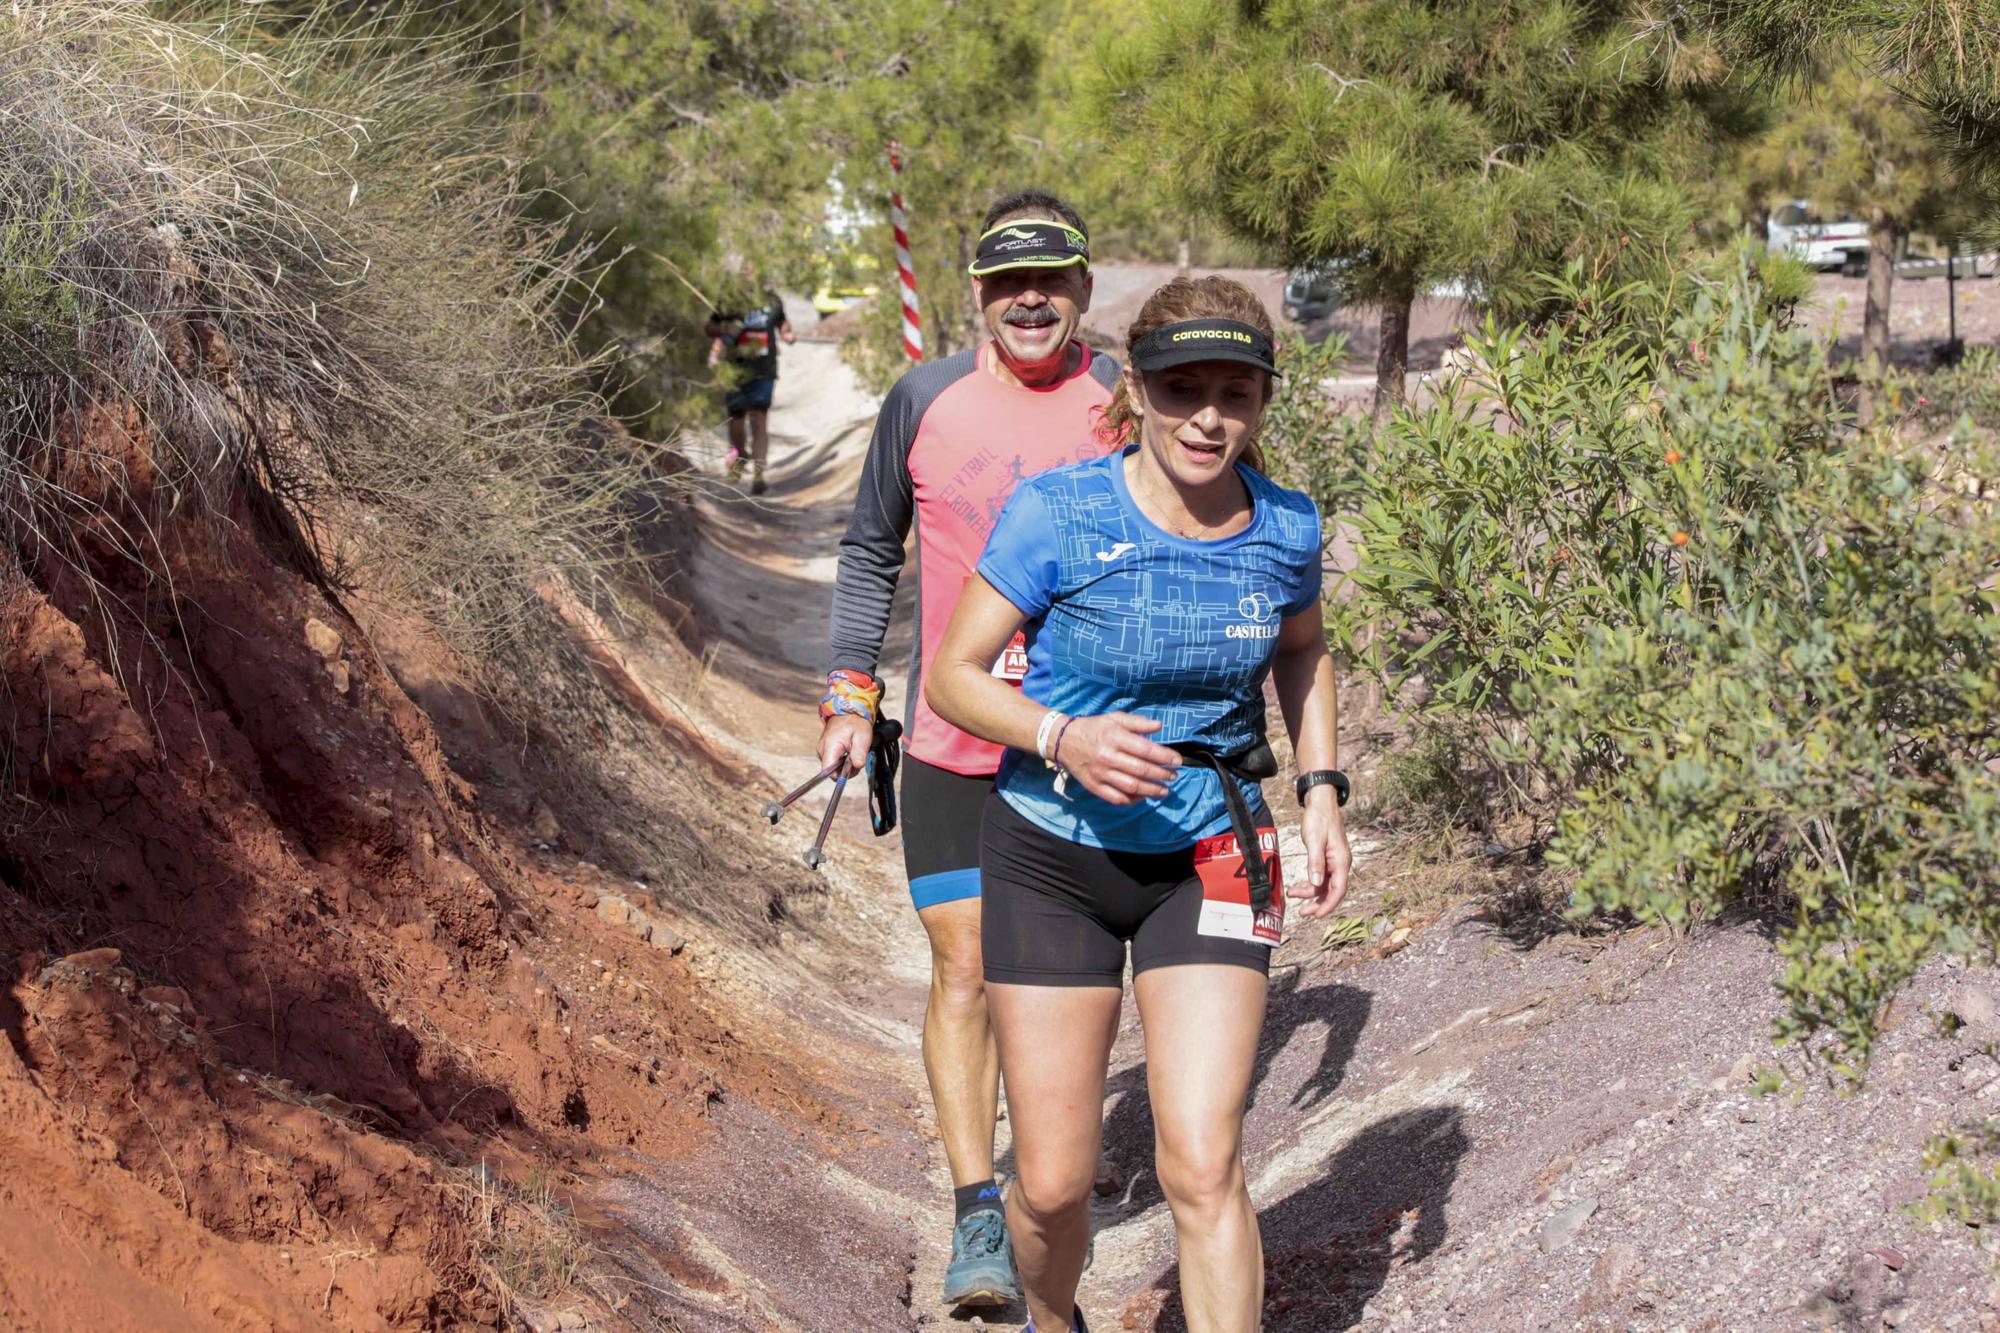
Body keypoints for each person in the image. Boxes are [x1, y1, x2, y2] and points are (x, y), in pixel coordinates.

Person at [925, 275, 1354, 1333]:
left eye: (1234, 391)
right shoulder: (1059, 512)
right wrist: (1061, 734)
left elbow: (1301, 653)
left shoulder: (1286, 527)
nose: (1207, 417)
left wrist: (1320, 788)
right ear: (1137, 394)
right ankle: (1048, 1314)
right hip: (1050, 854)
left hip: (1214, 848)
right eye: (1179, 388)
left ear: (1261, 400)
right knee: (1056, 1186)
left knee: (1201, 1162)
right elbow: (953, 676)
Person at [818, 188, 1117, 1310]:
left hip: (1091, 748)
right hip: (950, 743)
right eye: (1005, 282)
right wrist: (849, 690)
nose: (1028, 299)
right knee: (965, 967)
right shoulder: (924, 397)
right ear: (977, 295)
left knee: (1063, 980)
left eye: (1049, 279)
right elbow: (866, 550)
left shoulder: (1128, 397)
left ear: (1084, 288)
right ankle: (976, 1210)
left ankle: (1053, 1200)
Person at [705, 285, 795, 495]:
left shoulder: (772, 301)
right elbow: (710, 327)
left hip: (765, 371)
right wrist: (725, 331)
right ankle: (739, 457)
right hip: (735, 371)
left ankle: (758, 475)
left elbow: (782, 322)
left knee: (759, 418)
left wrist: (787, 334)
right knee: (736, 420)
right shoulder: (730, 299)